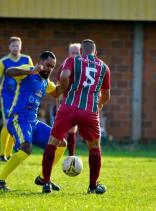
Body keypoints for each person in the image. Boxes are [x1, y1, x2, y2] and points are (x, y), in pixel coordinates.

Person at [41, 39, 111, 194]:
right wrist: (99, 105)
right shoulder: (104, 67)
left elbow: (65, 76)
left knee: (52, 142)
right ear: (95, 52)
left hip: (69, 107)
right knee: (94, 147)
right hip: (89, 111)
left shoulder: (73, 60)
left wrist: (63, 91)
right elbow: (106, 95)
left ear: (81, 51)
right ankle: (92, 186)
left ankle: (46, 182)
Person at [0, 51, 66, 191]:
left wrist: (68, 83)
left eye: (53, 67)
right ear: (40, 62)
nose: (50, 69)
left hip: (33, 122)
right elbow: (9, 71)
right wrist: (31, 71)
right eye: (48, 65)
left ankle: (43, 178)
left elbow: (56, 92)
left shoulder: (45, 82)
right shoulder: (28, 69)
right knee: (26, 148)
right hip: (18, 119)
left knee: (61, 143)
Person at [0, 36, 34, 162]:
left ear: (21, 46)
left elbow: (33, 75)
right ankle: (1, 154)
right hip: (7, 96)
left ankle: (9, 153)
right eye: (13, 45)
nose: (15, 48)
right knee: (6, 123)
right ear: (9, 47)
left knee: (16, 124)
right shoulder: (3, 61)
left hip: (22, 96)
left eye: (17, 45)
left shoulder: (27, 59)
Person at [55, 43, 81, 156]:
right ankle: (56, 152)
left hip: (80, 101)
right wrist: (58, 104)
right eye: (73, 53)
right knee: (62, 128)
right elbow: (58, 86)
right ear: (68, 53)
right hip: (66, 100)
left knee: (72, 129)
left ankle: (71, 155)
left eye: (77, 53)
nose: (75, 55)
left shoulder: (84, 66)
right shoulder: (64, 66)